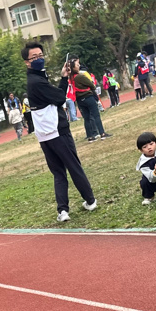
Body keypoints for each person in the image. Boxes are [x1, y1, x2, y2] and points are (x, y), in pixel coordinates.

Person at [23, 41, 99, 223]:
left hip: (44, 134)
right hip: (57, 130)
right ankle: (90, 200)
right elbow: (59, 97)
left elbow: (55, 97)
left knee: (58, 172)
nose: (39, 59)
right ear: (27, 62)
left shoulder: (37, 78)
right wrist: (64, 79)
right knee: (73, 166)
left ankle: (63, 210)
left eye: (41, 55)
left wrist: (63, 77)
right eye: (34, 57)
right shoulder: (36, 82)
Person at [70, 57, 110, 141]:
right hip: (88, 97)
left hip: (79, 100)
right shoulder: (80, 76)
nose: (79, 66)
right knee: (96, 115)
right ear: (73, 68)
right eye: (77, 65)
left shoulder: (71, 78)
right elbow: (91, 84)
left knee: (86, 118)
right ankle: (102, 133)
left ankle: (90, 136)